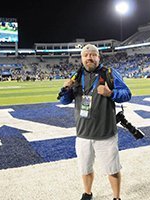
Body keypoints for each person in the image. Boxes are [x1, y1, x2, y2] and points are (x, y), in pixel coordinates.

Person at [58, 44, 131, 200]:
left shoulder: (110, 73)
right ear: (82, 58)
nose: (89, 58)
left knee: (112, 169)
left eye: (92, 55)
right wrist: (65, 89)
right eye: (86, 55)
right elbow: (64, 101)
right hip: (83, 133)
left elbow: (127, 94)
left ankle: (116, 197)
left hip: (106, 133)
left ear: (98, 57)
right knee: (85, 168)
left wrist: (110, 93)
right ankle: (88, 193)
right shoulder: (76, 76)